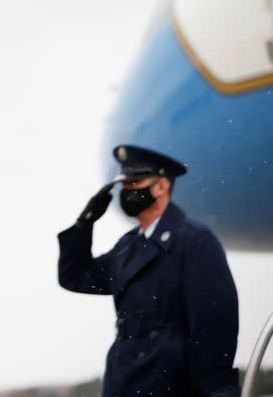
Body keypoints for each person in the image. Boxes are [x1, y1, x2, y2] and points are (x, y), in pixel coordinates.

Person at [57, 145, 239, 397]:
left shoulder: (194, 240)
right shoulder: (127, 246)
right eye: (125, 184)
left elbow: (214, 330)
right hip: (123, 378)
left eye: (135, 182)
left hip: (169, 381)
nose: (128, 190)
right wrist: (84, 223)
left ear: (161, 186)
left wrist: (215, 391)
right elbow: (76, 277)